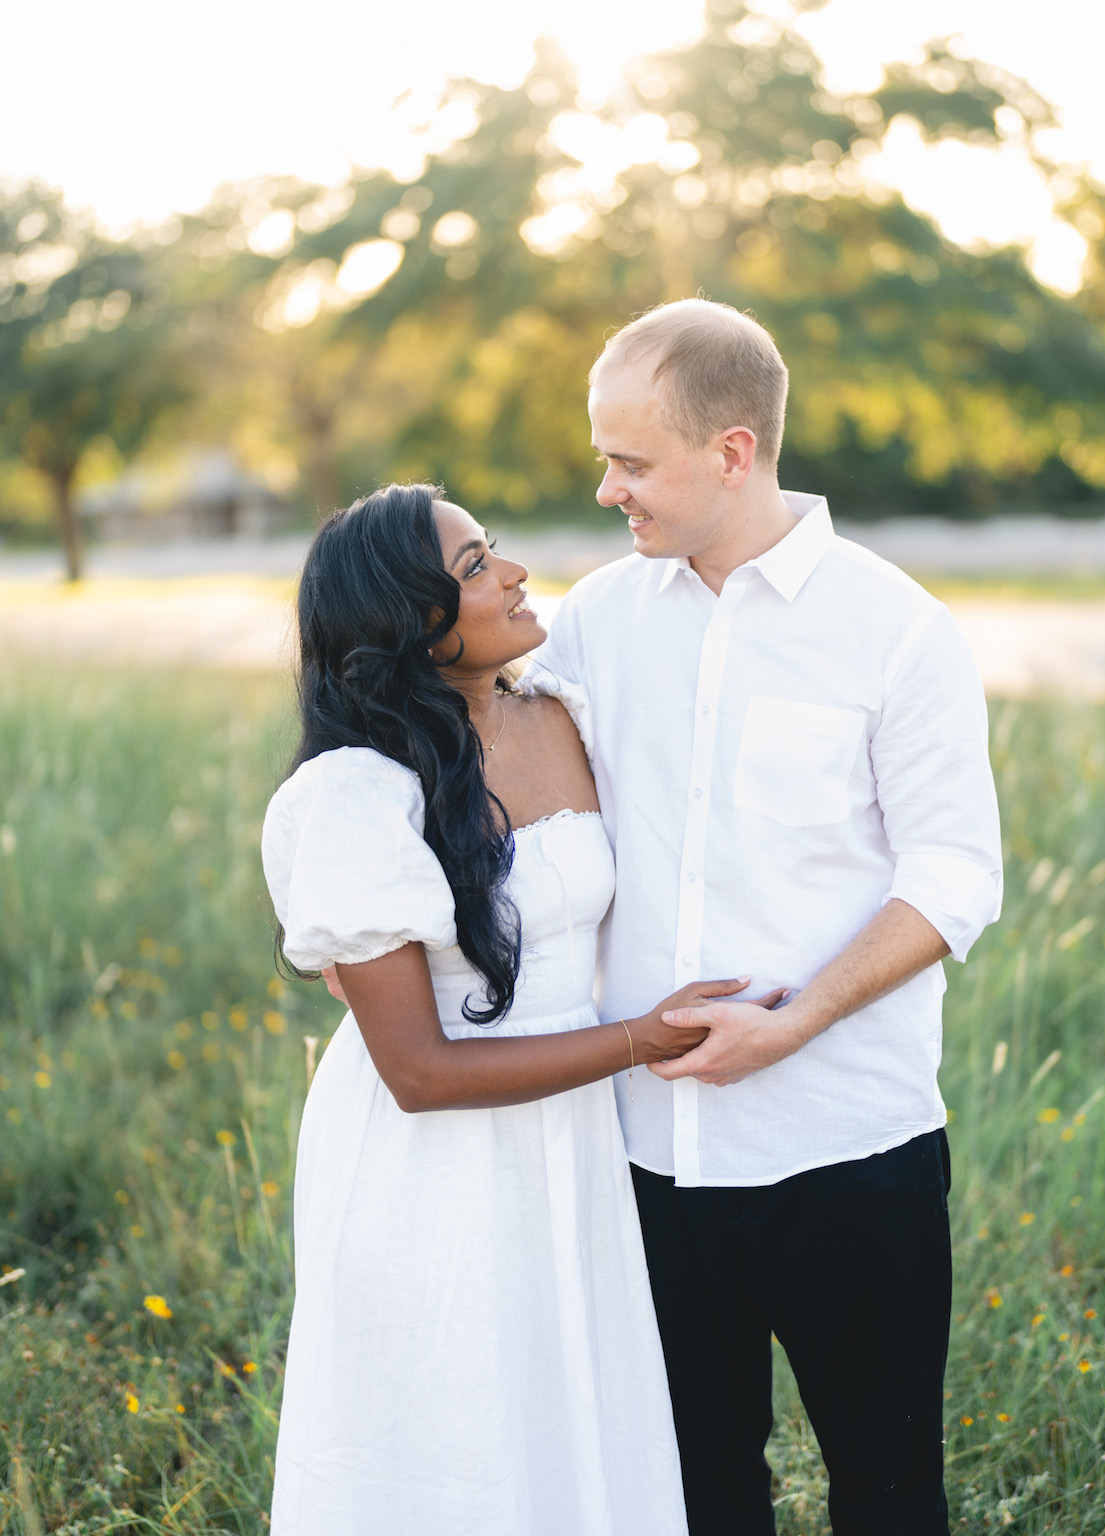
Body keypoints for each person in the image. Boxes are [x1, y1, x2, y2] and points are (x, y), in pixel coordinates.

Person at [527, 298, 1003, 1535]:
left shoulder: (898, 631)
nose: (605, 491)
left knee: (890, 1492)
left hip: (852, 1148)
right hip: (644, 1154)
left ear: (732, 451)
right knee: (688, 1493)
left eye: (631, 462)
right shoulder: (592, 621)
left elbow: (956, 874)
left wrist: (798, 1025)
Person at [260, 481, 765, 1536]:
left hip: (577, 1136)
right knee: (456, 1427)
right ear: (411, 623)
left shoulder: (563, 711)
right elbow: (420, 1073)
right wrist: (638, 1039)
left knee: (573, 1408)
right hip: (434, 1161)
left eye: (492, 549)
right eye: (475, 566)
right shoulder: (359, 794)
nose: (516, 572)